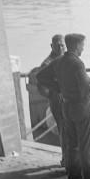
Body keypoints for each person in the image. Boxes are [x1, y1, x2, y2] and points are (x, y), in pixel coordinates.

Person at [37, 33, 90, 179]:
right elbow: (85, 86)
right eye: (82, 45)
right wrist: (85, 99)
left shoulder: (58, 61)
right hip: (81, 107)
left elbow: (40, 76)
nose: (83, 48)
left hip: (66, 107)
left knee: (72, 144)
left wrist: (59, 88)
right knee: (87, 144)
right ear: (76, 46)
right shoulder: (77, 63)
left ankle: (74, 177)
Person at [28, 34, 67, 167]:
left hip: (66, 99)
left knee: (68, 129)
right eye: (58, 45)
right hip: (57, 100)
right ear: (52, 46)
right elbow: (40, 84)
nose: (61, 48)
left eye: (63, 45)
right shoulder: (47, 63)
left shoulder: (64, 58)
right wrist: (52, 94)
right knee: (63, 129)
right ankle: (65, 158)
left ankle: (70, 158)